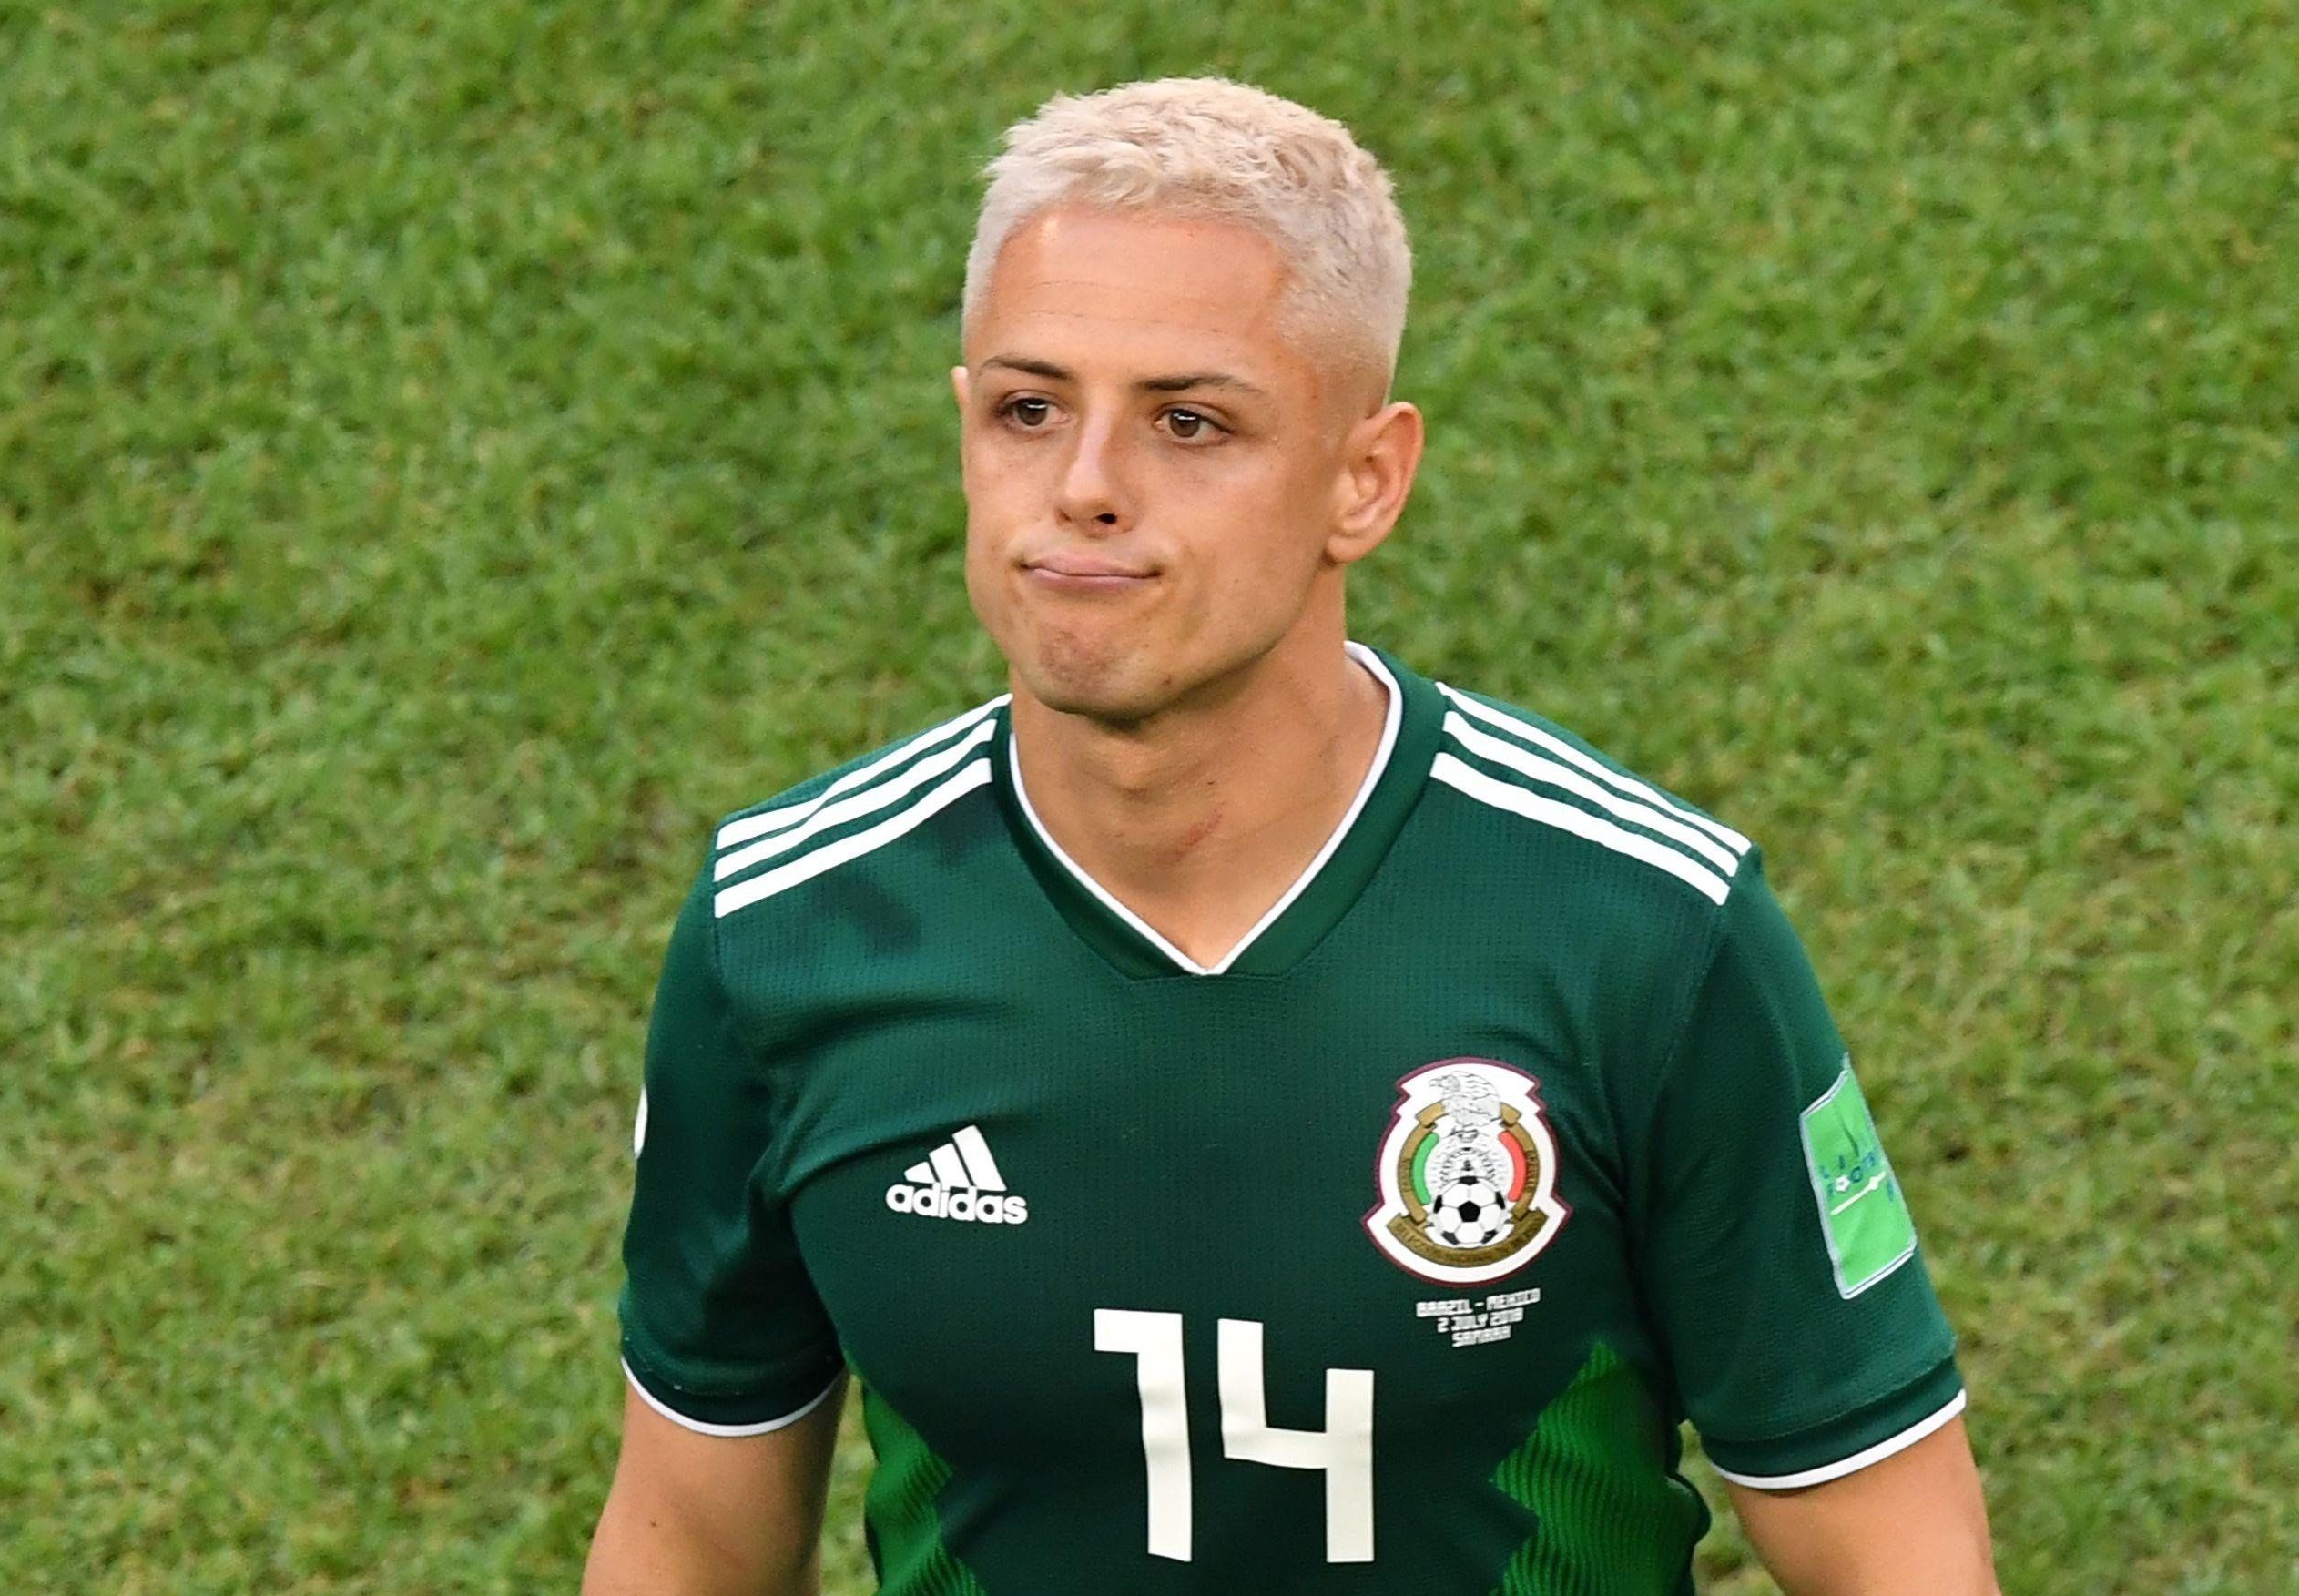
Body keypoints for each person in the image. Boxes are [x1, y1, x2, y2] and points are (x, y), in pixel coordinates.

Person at [583, 76, 1999, 1596]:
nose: (1083, 487)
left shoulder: (1640, 930)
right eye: (1028, 408)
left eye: (1188, 422)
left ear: (1363, 480)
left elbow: (1892, 1554)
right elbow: (692, 1536)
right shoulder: (790, 932)